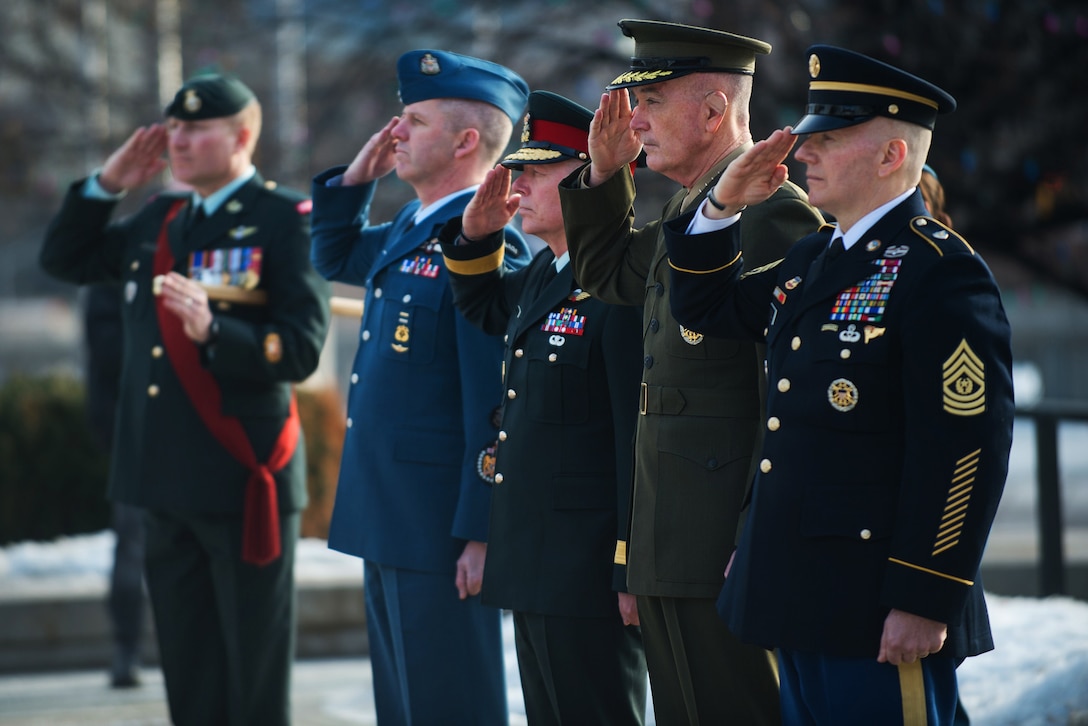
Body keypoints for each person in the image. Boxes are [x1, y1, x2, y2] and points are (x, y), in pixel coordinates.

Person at [664, 45, 1014, 724]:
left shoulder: (939, 271)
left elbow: (965, 448)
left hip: (878, 603)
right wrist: (723, 203)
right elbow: (705, 309)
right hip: (798, 588)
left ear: (889, 157)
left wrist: (924, 593)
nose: (802, 155)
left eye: (828, 140)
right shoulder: (816, 256)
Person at [40, 73, 332, 725]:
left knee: (253, 675)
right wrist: (107, 183)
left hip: (240, 477)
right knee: (189, 672)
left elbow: (302, 348)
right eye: (173, 128)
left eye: (196, 129)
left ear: (243, 136)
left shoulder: (284, 220)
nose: (179, 140)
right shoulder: (160, 218)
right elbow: (66, 258)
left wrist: (214, 330)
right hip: (163, 479)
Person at [556, 19, 824, 724]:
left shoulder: (769, 210)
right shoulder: (689, 209)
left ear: (712, 110)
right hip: (671, 536)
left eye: (653, 102)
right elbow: (608, 273)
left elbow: (789, 394)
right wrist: (605, 174)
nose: (634, 119)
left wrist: (757, 533)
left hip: (722, 542)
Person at [309, 50, 531, 725]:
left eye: (413, 120)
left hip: (440, 521)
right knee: (404, 705)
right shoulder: (413, 226)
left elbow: (493, 401)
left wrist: (481, 530)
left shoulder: (489, 243)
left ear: (467, 141)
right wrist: (354, 181)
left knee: (449, 701)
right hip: (392, 510)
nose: (394, 132)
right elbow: (336, 255)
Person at [437, 90, 648, 724]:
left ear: (593, 178)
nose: (518, 186)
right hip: (536, 556)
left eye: (537, 172)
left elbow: (632, 436)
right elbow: (482, 308)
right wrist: (475, 237)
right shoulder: (545, 273)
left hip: (586, 568)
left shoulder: (621, 284)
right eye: (519, 170)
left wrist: (628, 561)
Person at [83, 282, 147, 689]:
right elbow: (107, 350)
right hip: (132, 432)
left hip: (179, 432)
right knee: (132, 543)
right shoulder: (115, 267)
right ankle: (127, 648)